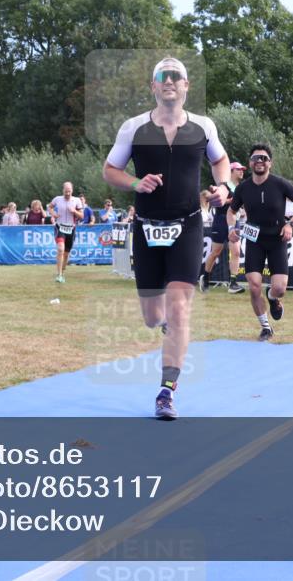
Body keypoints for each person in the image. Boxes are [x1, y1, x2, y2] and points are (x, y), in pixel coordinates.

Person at [103, 57, 230, 420]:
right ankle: (166, 327)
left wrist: (224, 187)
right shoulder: (133, 128)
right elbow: (110, 170)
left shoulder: (204, 126)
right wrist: (135, 182)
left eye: (177, 76)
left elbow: (220, 161)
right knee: (152, 316)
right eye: (163, 76)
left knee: (178, 310)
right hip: (146, 227)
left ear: (186, 85)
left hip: (187, 226)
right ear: (154, 86)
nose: (170, 80)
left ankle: (166, 391)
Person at [227, 144, 293, 341]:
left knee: (279, 288)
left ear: (270, 163)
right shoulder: (243, 188)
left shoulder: (280, 184)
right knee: (254, 285)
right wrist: (231, 228)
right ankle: (265, 327)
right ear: (250, 163)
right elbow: (231, 211)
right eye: (255, 158)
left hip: (277, 239)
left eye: (264, 158)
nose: (259, 161)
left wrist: (291, 224)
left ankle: (272, 297)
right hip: (254, 240)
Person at [200, 161, 245, 294]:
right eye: (238, 169)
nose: (242, 171)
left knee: (236, 252)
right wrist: (230, 200)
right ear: (231, 171)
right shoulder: (224, 186)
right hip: (220, 220)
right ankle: (205, 278)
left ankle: (233, 283)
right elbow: (215, 201)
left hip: (235, 221)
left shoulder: (241, 187)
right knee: (216, 252)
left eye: (242, 169)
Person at [48, 181, 84, 283]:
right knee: (60, 249)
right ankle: (59, 275)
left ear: (72, 190)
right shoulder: (57, 199)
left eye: (69, 191)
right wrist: (53, 214)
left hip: (71, 229)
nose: (67, 193)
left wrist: (74, 211)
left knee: (66, 254)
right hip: (60, 227)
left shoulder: (77, 200)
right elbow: (49, 207)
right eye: (66, 191)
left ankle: (62, 272)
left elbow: (82, 216)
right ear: (63, 190)